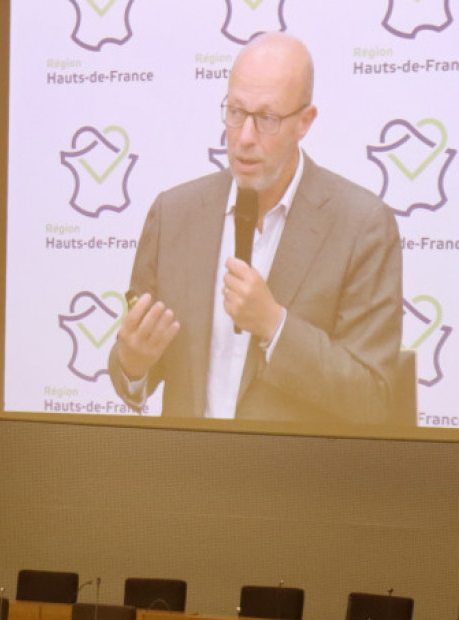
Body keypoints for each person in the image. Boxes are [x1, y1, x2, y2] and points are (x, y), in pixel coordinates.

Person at [109, 33, 402, 425]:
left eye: (266, 119)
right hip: (185, 473)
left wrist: (274, 326)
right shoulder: (173, 215)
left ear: (305, 121)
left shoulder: (362, 226)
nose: (245, 138)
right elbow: (137, 367)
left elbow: (373, 398)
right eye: (235, 112)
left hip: (293, 480)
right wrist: (133, 363)